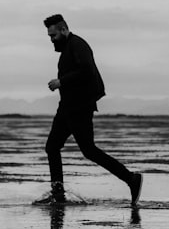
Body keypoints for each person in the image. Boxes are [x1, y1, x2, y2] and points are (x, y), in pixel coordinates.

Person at [37, 14, 142, 205]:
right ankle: (58, 195)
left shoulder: (78, 45)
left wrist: (61, 81)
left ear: (63, 29)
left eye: (53, 35)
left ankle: (132, 179)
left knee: (89, 150)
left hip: (79, 107)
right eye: (49, 36)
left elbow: (87, 70)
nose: (52, 40)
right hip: (67, 107)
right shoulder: (68, 49)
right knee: (52, 147)